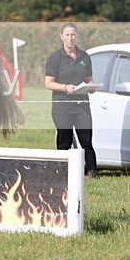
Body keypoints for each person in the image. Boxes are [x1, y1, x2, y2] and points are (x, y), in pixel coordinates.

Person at [44, 22, 98, 178]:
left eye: (73, 34)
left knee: (86, 141)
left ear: (77, 36)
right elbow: (48, 83)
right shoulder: (55, 58)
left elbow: (89, 79)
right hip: (62, 107)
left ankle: (92, 172)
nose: (70, 38)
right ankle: (61, 173)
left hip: (82, 106)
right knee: (64, 143)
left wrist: (91, 86)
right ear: (62, 36)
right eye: (67, 34)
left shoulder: (84, 56)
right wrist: (65, 87)